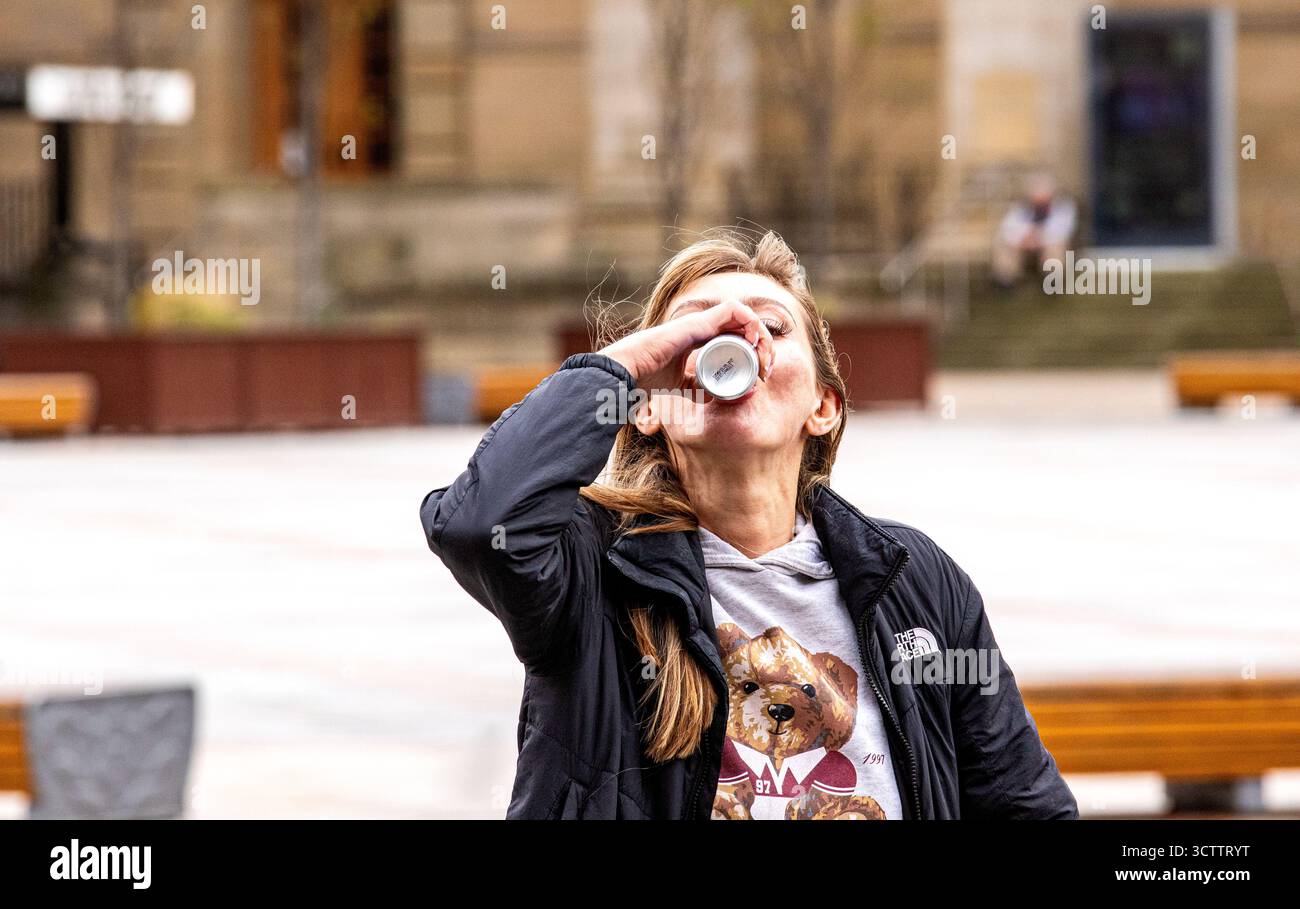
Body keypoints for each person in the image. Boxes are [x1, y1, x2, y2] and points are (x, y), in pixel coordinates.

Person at [419, 229, 1078, 820]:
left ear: (823, 406)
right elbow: (481, 524)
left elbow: (1024, 803)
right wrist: (625, 367)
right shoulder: (595, 570)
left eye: (774, 326)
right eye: (696, 329)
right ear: (645, 409)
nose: (734, 342)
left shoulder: (915, 580)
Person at [992, 173, 1077, 289]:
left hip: (1048, 246)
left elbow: (1062, 231)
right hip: (1024, 248)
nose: (1039, 198)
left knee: (1056, 249)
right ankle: (1005, 283)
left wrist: (1038, 238)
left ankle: (1053, 282)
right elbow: (1007, 229)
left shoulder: (1063, 208)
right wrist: (1024, 239)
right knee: (1004, 247)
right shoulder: (1021, 208)